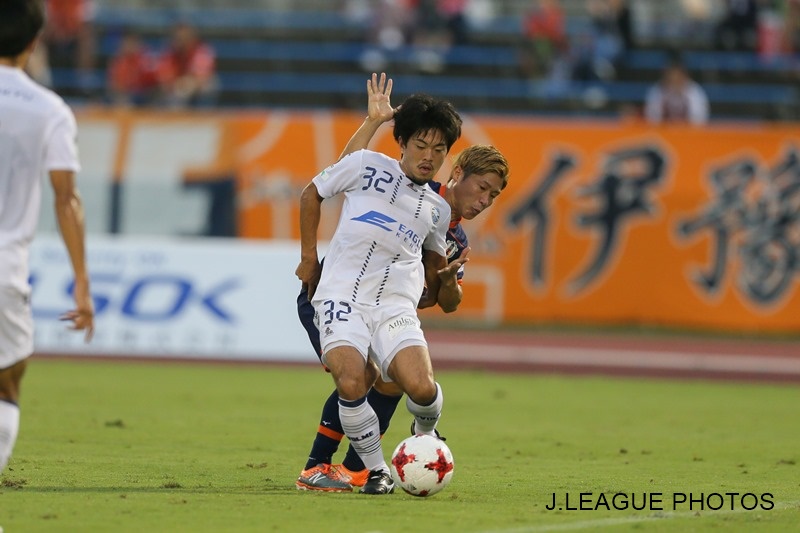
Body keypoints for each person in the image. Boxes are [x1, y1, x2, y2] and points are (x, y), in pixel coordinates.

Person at [296, 74, 510, 492]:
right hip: (334, 289)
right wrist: (373, 121)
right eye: (482, 188)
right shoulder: (400, 178)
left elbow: (441, 298)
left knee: (395, 379)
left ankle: (362, 467)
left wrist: (442, 284)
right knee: (362, 375)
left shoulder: (448, 231)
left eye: (493, 196)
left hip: (387, 307)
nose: (484, 200)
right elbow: (343, 171)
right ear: (458, 173)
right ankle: (326, 466)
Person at [0, 0, 94, 475]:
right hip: (5, 268)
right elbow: (65, 199)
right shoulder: (49, 109)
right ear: (35, 42)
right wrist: (82, 282)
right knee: (7, 382)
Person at [155, 22, 218, 108]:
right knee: (166, 91)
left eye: (184, 37)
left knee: (209, 85)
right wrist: (172, 83)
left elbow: (201, 78)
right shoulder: (170, 51)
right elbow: (164, 75)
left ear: (191, 37)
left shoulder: (202, 50)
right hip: (177, 84)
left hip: (196, 85)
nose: (181, 40)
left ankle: (204, 113)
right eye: (178, 37)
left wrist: (182, 83)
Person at [643, 54, 710, 125]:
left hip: (687, 130)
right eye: (671, 76)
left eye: (677, 76)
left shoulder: (694, 91)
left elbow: (699, 120)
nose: (674, 79)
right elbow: (652, 118)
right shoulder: (657, 91)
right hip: (664, 130)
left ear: (684, 75)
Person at [106, 29, 158, 107]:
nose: (129, 46)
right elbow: (113, 84)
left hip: (145, 96)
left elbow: (154, 81)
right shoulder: (119, 61)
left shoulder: (146, 59)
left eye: (132, 42)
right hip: (125, 96)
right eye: (127, 43)